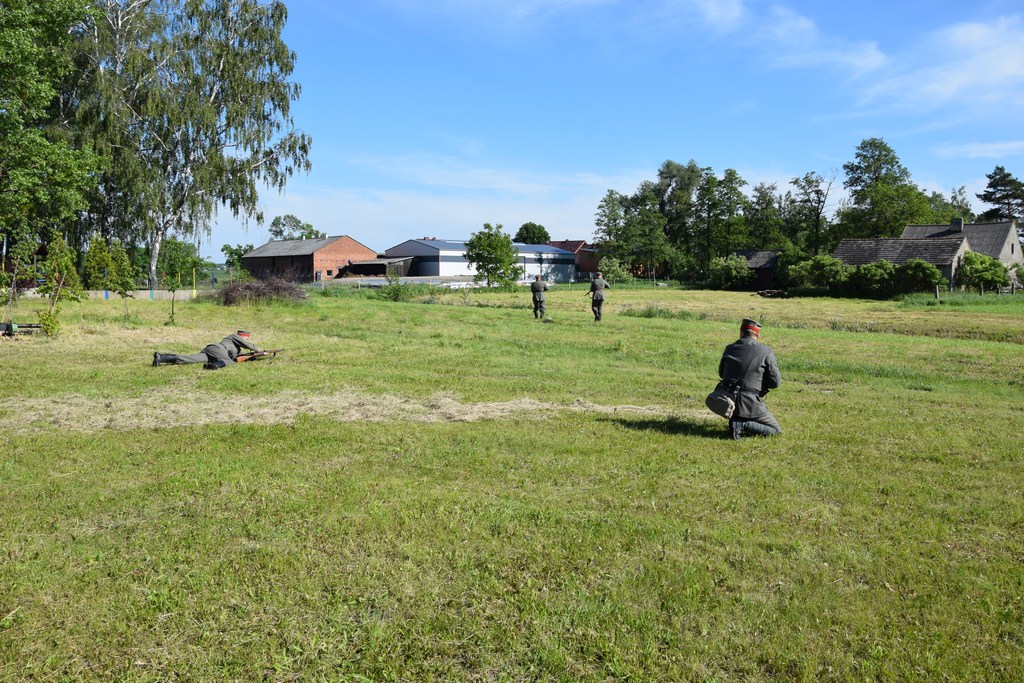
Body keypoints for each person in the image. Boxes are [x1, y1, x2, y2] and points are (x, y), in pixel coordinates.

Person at [717, 318, 782, 439]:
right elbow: (775, 383)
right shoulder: (766, 351)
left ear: (741, 333)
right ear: (757, 335)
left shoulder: (729, 348)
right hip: (750, 403)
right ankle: (742, 425)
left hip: (727, 400)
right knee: (775, 430)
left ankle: (737, 419)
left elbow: (721, 374)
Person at [152, 330, 264, 369]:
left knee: (190, 359)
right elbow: (247, 345)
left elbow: (242, 356)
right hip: (218, 349)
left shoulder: (237, 348)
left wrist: (256, 356)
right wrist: (259, 349)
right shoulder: (234, 336)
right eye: (245, 338)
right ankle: (215, 366)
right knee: (230, 362)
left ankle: (161, 357)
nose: (245, 339)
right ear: (241, 335)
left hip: (212, 353)